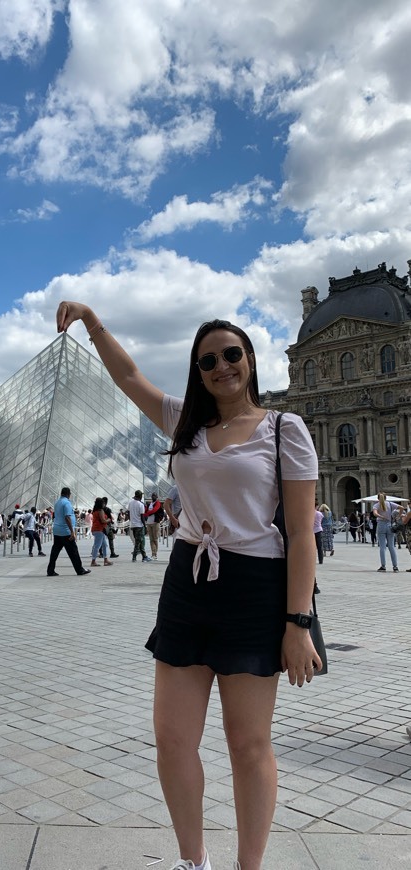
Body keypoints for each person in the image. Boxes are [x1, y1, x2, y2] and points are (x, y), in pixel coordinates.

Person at [57, 302, 320, 870]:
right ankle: (193, 862)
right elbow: (129, 378)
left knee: (248, 745)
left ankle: (249, 865)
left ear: (250, 359)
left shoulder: (284, 430)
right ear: (197, 371)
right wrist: (93, 322)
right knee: (173, 740)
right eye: (208, 360)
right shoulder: (185, 423)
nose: (221, 366)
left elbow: (301, 534)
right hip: (188, 579)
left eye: (232, 354)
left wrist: (298, 624)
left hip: (255, 586)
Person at [46, 487, 91, 577]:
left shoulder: (57, 502)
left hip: (57, 530)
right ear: (68, 494)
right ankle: (80, 570)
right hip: (65, 531)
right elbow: (67, 517)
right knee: (73, 551)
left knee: (55, 551)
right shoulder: (66, 503)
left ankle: (50, 570)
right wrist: (72, 531)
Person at [373, 492, 399, 572]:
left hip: (381, 525)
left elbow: (375, 513)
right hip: (389, 525)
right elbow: (401, 507)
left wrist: (380, 516)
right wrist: (397, 517)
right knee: (391, 546)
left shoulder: (376, 505)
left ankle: (383, 566)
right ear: (386, 498)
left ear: (378, 498)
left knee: (382, 547)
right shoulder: (391, 504)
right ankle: (395, 567)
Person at [128, 489, 150, 563]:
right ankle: (134, 557)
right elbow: (142, 517)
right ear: (140, 496)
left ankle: (144, 556)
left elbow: (129, 513)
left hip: (133, 525)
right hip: (139, 525)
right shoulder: (140, 504)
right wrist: (145, 526)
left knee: (139, 541)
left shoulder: (130, 503)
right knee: (138, 542)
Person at [90, 497, 113, 567]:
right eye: (103, 503)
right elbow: (103, 520)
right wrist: (109, 520)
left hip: (97, 529)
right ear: (101, 504)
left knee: (104, 545)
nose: (104, 504)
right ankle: (93, 561)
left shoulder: (95, 511)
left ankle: (106, 559)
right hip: (99, 529)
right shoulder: (100, 511)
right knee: (97, 545)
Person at [145, 491, 164, 560]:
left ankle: (155, 554)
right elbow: (145, 511)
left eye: (154, 496)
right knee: (151, 539)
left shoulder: (157, 503)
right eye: (152, 496)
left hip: (155, 523)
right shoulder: (150, 504)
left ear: (157, 497)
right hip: (149, 523)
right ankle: (153, 553)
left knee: (155, 538)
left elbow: (154, 510)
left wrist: (147, 514)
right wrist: (146, 513)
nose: (153, 497)